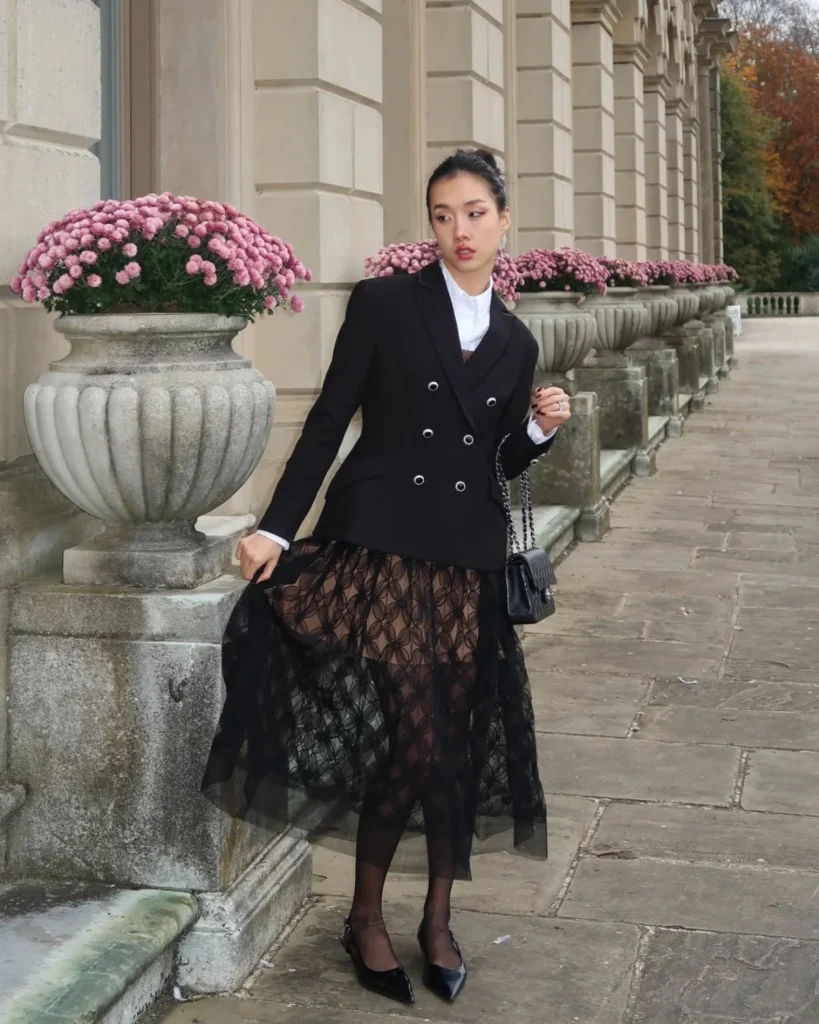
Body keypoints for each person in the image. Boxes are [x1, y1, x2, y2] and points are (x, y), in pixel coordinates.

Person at [201, 148, 571, 1006]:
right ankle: (367, 917)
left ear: (504, 220)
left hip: (464, 558)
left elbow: (498, 459)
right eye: (442, 214)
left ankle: (435, 920)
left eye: (475, 212)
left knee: (451, 736)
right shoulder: (384, 304)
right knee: (421, 736)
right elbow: (330, 420)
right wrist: (274, 529)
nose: (459, 230)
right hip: (383, 547)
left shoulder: (516, 340)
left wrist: (541, 432)